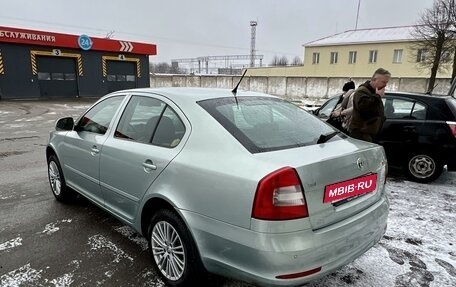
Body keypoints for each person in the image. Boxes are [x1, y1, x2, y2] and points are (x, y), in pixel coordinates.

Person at [348, 68, 391, 142]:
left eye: (386, 82)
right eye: (383, 82)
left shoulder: (374, 92)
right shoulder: (362, 91)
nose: (385, 85)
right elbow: (363, 108)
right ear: (374, 79)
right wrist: (377, 96)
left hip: (369, 133)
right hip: (361, 134)